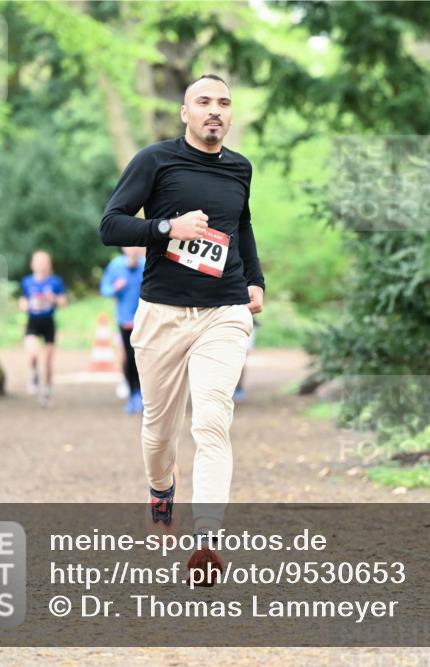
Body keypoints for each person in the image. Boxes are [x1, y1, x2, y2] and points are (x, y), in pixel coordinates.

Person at [100, 73, 264, 582]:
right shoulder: (155, 161)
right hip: (163, 313)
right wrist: (167, 227)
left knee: (212, 420)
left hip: (224, 311)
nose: (214, 110)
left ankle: (208, 538)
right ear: (185, 112)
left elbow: (242, 227)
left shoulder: (240, 168)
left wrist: (254, 280)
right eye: (204, 102)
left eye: (223, 103)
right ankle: (160, 488)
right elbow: (111, 225)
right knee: (158, 432)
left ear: (230, 115)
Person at [100, 246, 146, 414]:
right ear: (123, 247)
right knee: (130, 356)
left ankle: (142, 393)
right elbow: (104, 289)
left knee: (144, 357)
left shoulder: (146, 264)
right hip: (125, 320)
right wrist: (115, 288)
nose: (133, 249)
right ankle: (133, 392)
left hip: (145, 320)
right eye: (130, 245)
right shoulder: (116, 265)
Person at [18, 250, 67, 407]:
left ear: (49, 265)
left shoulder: (55, 282)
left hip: (48, 323)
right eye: (37, 262)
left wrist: (52, 298)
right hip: (32, 322)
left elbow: (63, 302)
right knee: (32, 354)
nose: (40, 265)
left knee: (48, 361)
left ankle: (46, 392)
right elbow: (22, 302)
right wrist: (28, 305)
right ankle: (33, 373)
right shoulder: (27, 282)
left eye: (43, 262)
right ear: (32, 265)